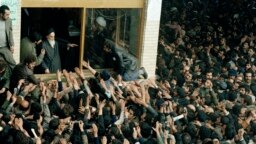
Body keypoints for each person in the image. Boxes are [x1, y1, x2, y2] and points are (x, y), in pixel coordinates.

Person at [0, 5, 16, 70]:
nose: (8, 16)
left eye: (9, 14)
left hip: (5, 47)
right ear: (1, 14)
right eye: (6, 14)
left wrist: (12, 45)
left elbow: (10, 33)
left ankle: (17, 78)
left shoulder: (9, 20)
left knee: (12, 63)